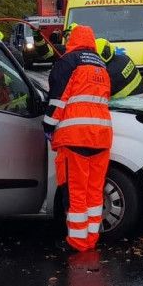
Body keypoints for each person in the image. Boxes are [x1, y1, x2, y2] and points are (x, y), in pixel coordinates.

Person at [43, 25, 112, 252]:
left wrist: (48, 126)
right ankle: (91, 240)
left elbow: (57, 101)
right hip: (101, 137)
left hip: (76, 136)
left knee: (75, 193)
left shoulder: (68, 62)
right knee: (94, 192)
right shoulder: (101, 65)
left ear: (72, 40)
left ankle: (77, 242)